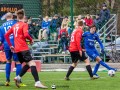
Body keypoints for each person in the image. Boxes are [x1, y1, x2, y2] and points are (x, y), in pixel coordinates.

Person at [5, 9, 48, 89]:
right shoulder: (24, 24)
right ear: (24, 16)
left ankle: (18, 77)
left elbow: (6, 35)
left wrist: (11, 45)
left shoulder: (14, 26)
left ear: (17, 17)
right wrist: (31, 40)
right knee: (33, 64)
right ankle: (37, 82)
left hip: (17, 50)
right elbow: (26, 35)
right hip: (23, 48)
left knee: (28, 65)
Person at [0, 12, 23, 86]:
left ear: (6, 17)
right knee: (18, 62)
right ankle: (17, 80)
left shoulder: (1, 26)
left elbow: (1, 38)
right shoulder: (16, 23)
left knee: (8, 61)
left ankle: (7, 80)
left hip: (6, 45)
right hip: (15, 44)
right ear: (12, 16)